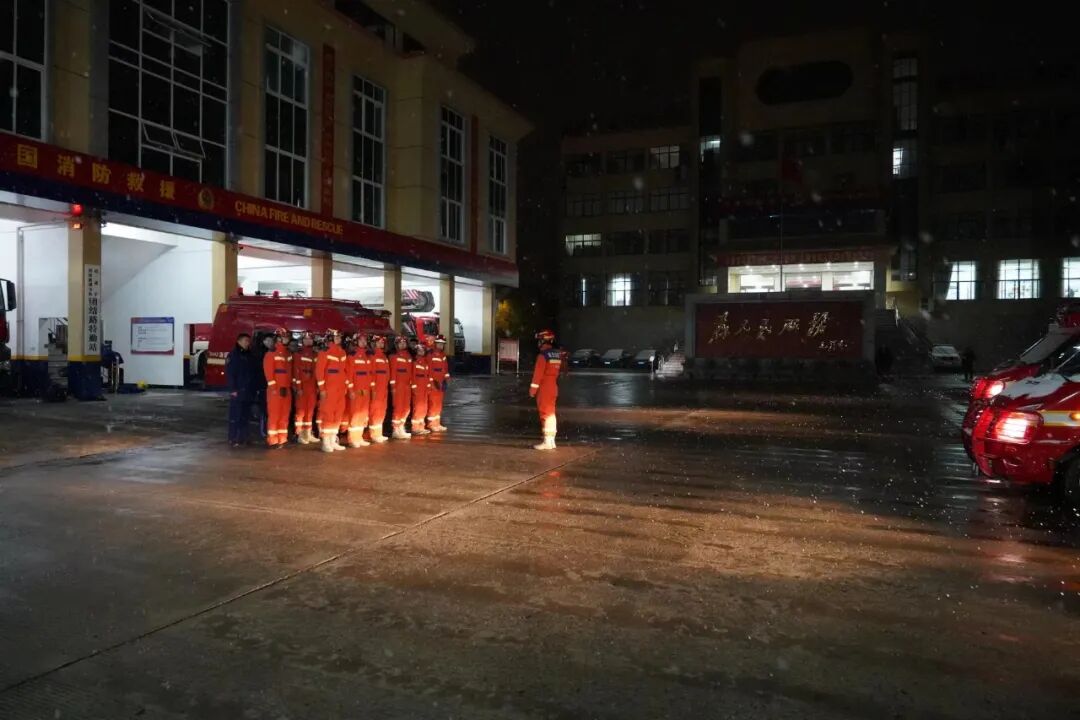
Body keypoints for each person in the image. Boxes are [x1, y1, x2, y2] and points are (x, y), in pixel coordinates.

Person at [315, 329, 350, 453]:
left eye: (340, 337)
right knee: (328, 414)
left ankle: (333, 440)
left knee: (338, 414)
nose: (339, 339)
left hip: (340, 389)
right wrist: (322, 389)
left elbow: (345, 371)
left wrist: (346, 386)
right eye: (337, 337)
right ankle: (326, 441)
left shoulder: (342, 352)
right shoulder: (324, 352)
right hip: (329, 389)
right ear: (330, 338)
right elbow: (319, 371)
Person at [529, 329, 564, 450]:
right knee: (551, 413)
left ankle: (547, 442)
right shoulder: (557, 354)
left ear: (543, 341)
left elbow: (537, 375)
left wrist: (532, 390)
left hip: (545, 387)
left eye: (540, 340)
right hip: (553, 386)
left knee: (545, 413)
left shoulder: (542, 356)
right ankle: (551, 440)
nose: (538, 343)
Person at [262, 327, 293, 449]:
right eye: (284, 337)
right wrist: (275, 388)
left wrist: (289, 386)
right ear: (278, 338)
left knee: (284, 415)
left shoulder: (287, 354)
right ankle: (273, 440)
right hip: (275, 390)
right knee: (275, 415)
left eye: (287, 337)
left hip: (286, 389)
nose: (286, 339)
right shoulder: (271, 354)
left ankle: (282, 439)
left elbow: (289, 372)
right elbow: (269, 374)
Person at [225, 333, 257, 448]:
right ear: (239, 341)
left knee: (245, 416)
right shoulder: (233, 355)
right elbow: (230, 374)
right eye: (245, 341)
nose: (247, 343)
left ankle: (244, 437)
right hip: (238, 391)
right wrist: (233, 389)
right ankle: (233, 438)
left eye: (248, 341)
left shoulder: (249, 355)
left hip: (248, 391)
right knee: (236, 415)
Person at [345, 332, 373, 448]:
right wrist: (351, 390)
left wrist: (371, 388)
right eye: (361, 340)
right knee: (355, 414)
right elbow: (349, 375)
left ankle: (359, 437)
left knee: (363, 414)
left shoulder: (368, 356)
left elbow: (370, 374)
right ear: (356, 342)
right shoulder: (352, 356)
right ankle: (352, 439)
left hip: (365, 391)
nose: (363, 342)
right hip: (356, 390)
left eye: (365, 340)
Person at [292, 331, 318, 444]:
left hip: (312, 387)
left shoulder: (315, 354)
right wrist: (298, 387)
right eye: (306, 339)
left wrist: (317, 386)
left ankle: (307, 433)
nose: (308, 341)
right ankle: (299, 434)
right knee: (300, 411)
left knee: (310, 411)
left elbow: (317, 371)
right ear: (302, 340)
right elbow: (296, 372)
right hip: (302, 386)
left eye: (310, 339)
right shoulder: (298, 354)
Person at [389, 334, 414, 440]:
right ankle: (395, 430)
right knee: (398, 407)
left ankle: (401, 427)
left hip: (407, 386)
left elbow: (411, 371)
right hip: (398, 386)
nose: (403, 345)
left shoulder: (409, 356)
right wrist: (393, 387)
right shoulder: (394, 356)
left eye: (404, 343)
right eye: (400, 343)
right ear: (396, 345)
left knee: (406, 408)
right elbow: (393, 372)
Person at [367, 334, 391, 443]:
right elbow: (371, 373)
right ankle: (374, 434)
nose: (381, 344)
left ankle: (378, 433)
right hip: (376, 387)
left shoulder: (384, 356)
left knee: (382, 410)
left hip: (383, 387)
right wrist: (373, 388)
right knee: (375, 410)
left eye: (382, 342)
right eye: (379, 342)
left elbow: (387, 372)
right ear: (374, 343)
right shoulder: (373, 356)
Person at [426, 335, 450, 432]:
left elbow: (445, 368)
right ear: (435, 343)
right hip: (434, 382)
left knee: (439, 404)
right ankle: (431, 424)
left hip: (441, 382)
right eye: (439, 344)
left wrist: (446, 379)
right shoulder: (430, 354)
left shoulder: (443, 355)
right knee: (433, 403)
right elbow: (428, 369)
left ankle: (437, 423)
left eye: (442, 344)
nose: (441, 346)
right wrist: (431, 382)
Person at [410, 342, 433, 436]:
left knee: (424, 407)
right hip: (418, 387)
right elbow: (412, 375)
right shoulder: (414, 362)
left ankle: (421, 427)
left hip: (424, 387)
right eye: (419, 350)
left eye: (423, 350)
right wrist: (414, 387)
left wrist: (428, 386)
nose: (421, 352)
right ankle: (415, 428)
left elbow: (428, 375)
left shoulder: (425, 362)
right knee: (418, 407)